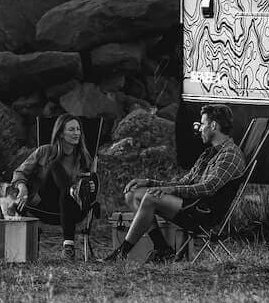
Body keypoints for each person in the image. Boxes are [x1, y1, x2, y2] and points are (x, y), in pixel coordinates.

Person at [106, 104, 244, 263]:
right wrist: (150, 182)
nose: (200, 128)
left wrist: (171, 190)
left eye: (203, 124)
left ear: (213, 126)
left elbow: (209, 187)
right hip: (191, 203)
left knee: (150, 198)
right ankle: (162, 249)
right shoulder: (209, 153)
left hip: (203, 211)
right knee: (133, 194)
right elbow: (184, 182)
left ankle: (121, 253)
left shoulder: (230, 155)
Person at [14, 115, 99, 253]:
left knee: (69, 192)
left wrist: (91, 187)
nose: (76, 133)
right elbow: (19, 172)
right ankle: (73, 190)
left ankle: (68, 246)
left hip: (73, 209)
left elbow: (91, 182)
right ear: (60, 133)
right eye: (71, 129)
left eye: (78, 129)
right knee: (54, 165)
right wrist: (22, 188)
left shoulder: (84, 157)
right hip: (45, 206)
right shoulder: (44, 151)